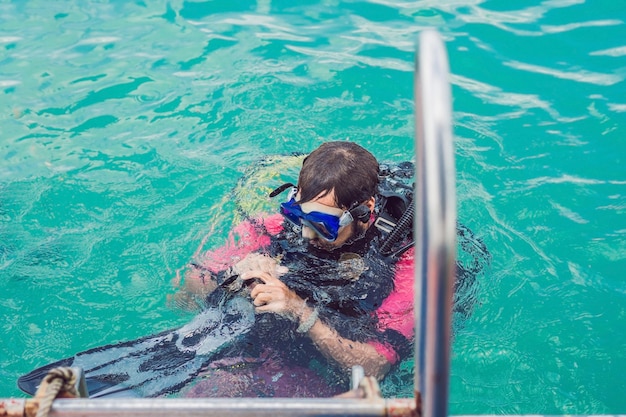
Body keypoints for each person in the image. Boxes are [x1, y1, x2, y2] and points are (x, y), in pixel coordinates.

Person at [172, 141, 416, 397]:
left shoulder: (405, 260)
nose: (306, 234)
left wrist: (299, 310)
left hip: (332, 374)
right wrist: (234, 275)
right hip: (265, 353)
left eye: (323, 226)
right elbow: (181, 297)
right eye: (298, 217)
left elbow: (375, 369)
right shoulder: (275, 228)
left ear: (364, 210)